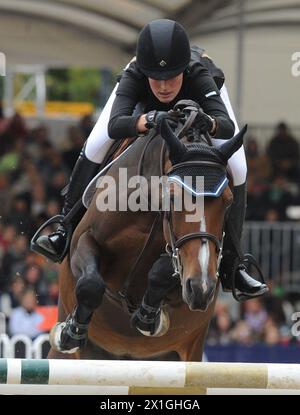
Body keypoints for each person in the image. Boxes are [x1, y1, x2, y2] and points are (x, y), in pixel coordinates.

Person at [32, 19, 267, 305]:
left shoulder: (199, 74)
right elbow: (117, 124)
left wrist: (210, 123)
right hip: (145, 113)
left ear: (183, 70)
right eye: (157, 77)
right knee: (94, 145)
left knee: (239, 167)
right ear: (145, 71)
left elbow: (227, 126)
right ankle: (64, 229)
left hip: (201, 105)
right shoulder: (135, 75)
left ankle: (234, 264)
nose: (165, 87)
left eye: (172, 77)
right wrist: (148, 119)